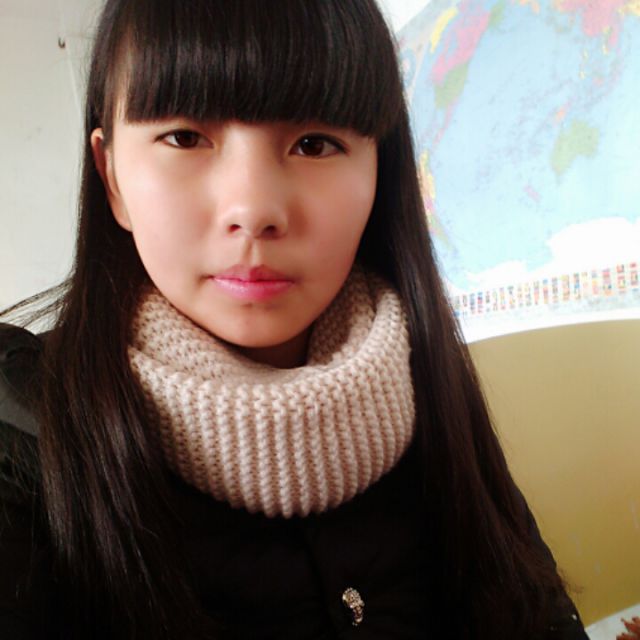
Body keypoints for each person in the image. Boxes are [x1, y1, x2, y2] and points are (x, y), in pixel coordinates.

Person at [0, 1, 589, 638]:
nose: (254, 209)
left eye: (314, 144)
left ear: (379, 171)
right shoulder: (21, 442)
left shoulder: (433, 389)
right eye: (185, 137)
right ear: (112, 176)